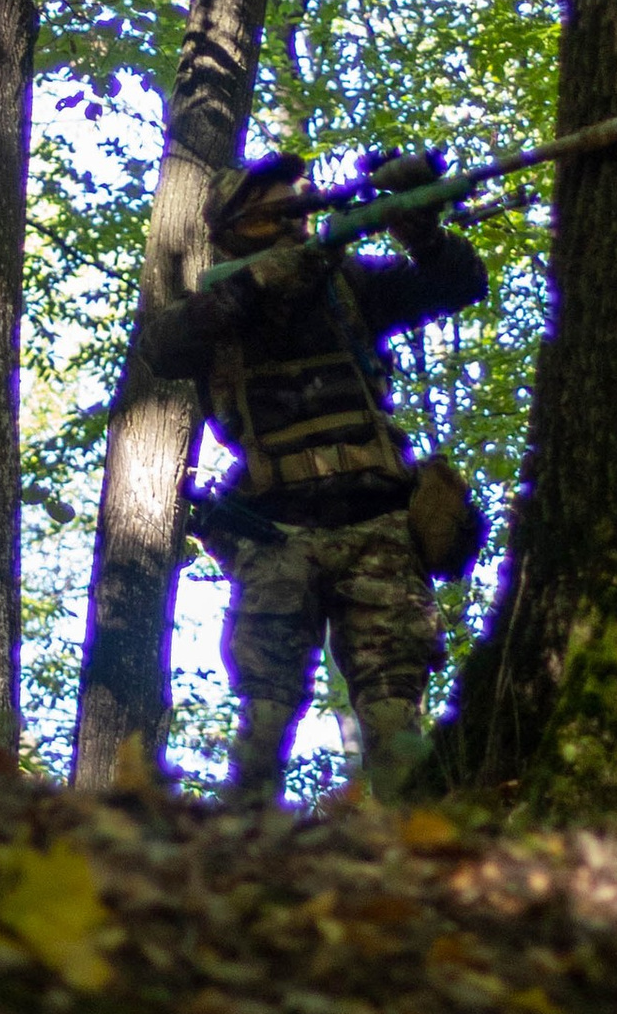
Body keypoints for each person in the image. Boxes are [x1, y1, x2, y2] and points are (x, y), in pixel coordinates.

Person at [141, 148, 489, 803]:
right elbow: (163, 346)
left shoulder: (350, 285)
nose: (299, 224)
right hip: (276, 539)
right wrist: (258, 282)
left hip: (379, 527)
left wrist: (421, 230)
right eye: (279, 212)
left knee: (394, 720)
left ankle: (405, 859)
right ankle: (244, 862)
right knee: (265, 718)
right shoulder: (219, 306)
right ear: (239, 226)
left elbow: (458, 283)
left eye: (300, 208)